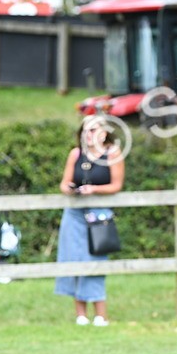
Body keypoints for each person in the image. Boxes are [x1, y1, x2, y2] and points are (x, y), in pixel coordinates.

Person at [55, 115, 125, 325]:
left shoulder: (112, 153)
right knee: (73, 259)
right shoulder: (76, 154)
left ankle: (101, 315)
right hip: (75, 213)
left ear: (104, 133)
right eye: (86, 130)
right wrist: (70, 189)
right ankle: (81, 315)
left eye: (93, 130)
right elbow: (64, 183)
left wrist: (94, 190)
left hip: (99, 215)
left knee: (95, 261)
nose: (89, 134)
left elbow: (116, 185)